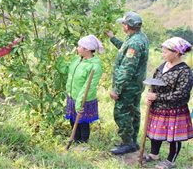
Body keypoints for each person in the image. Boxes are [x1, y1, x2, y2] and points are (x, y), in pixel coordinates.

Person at [144, 37, 193, 169]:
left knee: (174, 137)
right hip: (158, 107)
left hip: (175, 109)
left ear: (176, 53)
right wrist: (149, 96)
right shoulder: (162, 66)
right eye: (162, 51)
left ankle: (171, 160)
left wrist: (157, 96)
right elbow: (153, 83)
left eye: (165, 52)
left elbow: (181, 94)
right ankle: (154, 154)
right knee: (156, 132)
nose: (163, 54)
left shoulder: (184, 71)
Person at [106, 11, 149, 155]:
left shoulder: (135, 43)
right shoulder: (138, 38)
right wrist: (113, 38)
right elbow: (125, 50)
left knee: (122, 113)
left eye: (123, 23)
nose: (122, 25)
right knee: (134, 112)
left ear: (128, 26)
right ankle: (132, 141)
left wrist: (117, 89)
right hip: (135, 85)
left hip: (128, 87)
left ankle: (127, 143)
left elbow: (127, 69)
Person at [58, 35, 103, 144]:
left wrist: (79, 101)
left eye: (79, 47)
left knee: (83, 122)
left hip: (83, 98)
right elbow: (65, 70)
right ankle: (75, 139)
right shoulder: (77, 60)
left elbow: (89, 86)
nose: (77, 48)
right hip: (72, 95)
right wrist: (59, 59)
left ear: (86, 49)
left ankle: (83, 142)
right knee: (73, 119)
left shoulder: (95, 66)